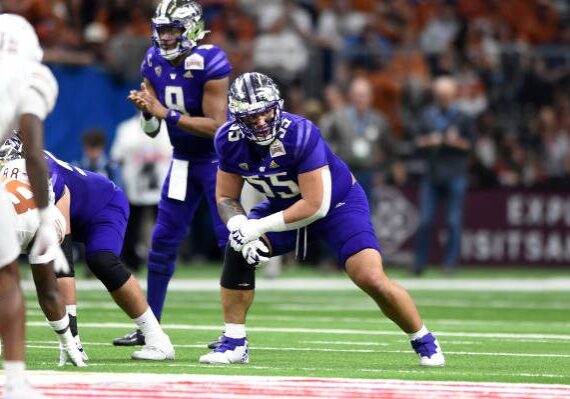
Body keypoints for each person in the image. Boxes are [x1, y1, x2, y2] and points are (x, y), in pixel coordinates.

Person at [199, 72, 445, 367]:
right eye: (252, 118)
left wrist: (258, 226)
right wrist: (240, 228)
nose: (262, 123)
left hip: (337, 205)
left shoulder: (301, 133)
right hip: (283, 205)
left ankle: (423, 338)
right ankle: (235, 342)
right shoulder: (228, 139)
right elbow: (226, 197)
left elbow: (315, 205)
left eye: (265, 113)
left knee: (370, 278)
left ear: (277, 106)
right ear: (238, 118)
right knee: (237, 248)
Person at [113, 0, 231, 346]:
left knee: (230, 243)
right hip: (182, 160)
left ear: (192, 28)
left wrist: (165, 113)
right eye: (161, 30)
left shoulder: (210, 60)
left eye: (172, 30)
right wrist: (149, 114)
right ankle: (150, 327)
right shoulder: (151, 60)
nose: (164, 38)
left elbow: (216, 126)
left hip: (216, 163)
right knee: (161, 243)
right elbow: (151, 129)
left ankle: (234, 333)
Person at [40, 147, 175, 361]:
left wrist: (70, 337)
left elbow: (63, 266)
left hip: (103, 205)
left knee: (101, 260)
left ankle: (157, 338)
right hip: (70, 213)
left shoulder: (44, 174)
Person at [0, 13, 66, 399]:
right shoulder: (33, 75)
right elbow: (33, 153)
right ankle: (15, 379)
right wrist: (44, 217)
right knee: (7, 278)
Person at [0, 140, 85, 368]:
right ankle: (70, 344)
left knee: (6, 286)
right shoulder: (40, 163)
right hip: (45, 220)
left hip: (12, 221)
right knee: (48, 290)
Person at [412, 76, 474, 275]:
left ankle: (450, 264)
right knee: (425, 220)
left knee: (453, 222)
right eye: (440, 95)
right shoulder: (426, 115)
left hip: (455, 173)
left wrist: (453, 142)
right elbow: (416, 142)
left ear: (452, 95)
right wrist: (431, 141)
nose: (443, 99)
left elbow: (470, 145)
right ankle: (419, 263)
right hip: (432, 174)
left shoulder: (463, 117)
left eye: (446, 95)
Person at [111, 112, 171, 273]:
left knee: (164, 226)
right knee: (132, 226)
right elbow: (117, 158)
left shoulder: (167, 128)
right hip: (135, 187)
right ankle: (132, 260)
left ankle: (163, 260)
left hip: (160, 187)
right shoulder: (127, 129)